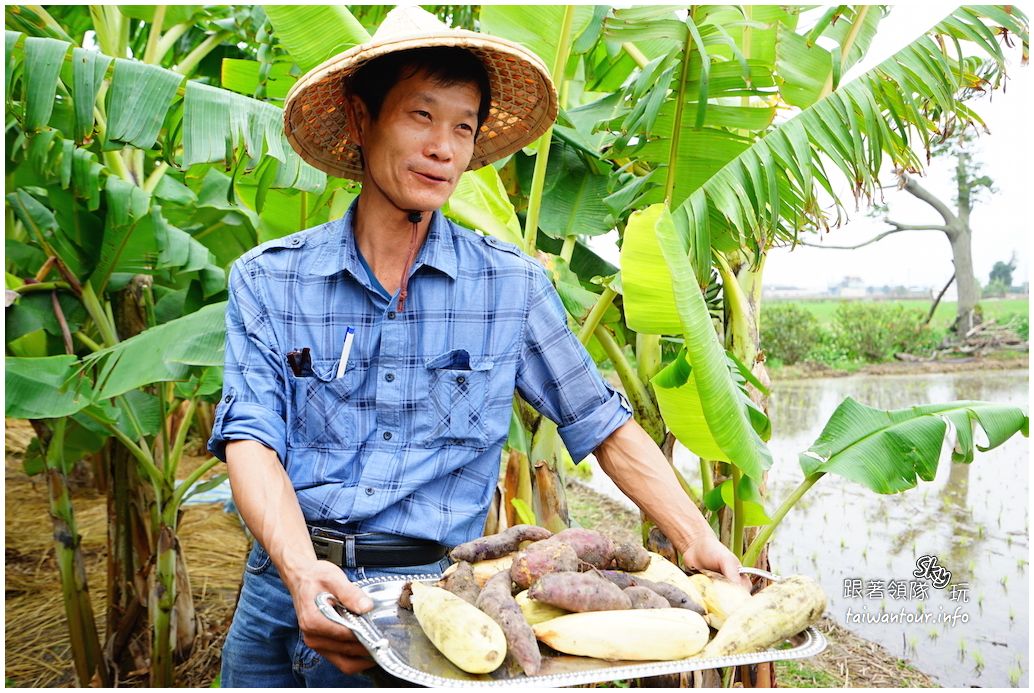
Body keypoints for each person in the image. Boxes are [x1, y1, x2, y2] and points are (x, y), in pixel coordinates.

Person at [209, 6, 748, 687]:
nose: (444, 147)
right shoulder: (269, 279)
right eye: (421, 116)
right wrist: (296, 568)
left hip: (429, 604)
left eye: (463, 127)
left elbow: (601, 422)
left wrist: (696, 536)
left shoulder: (510, 286)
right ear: (359, 118)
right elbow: (251, 439)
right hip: (281, 589)